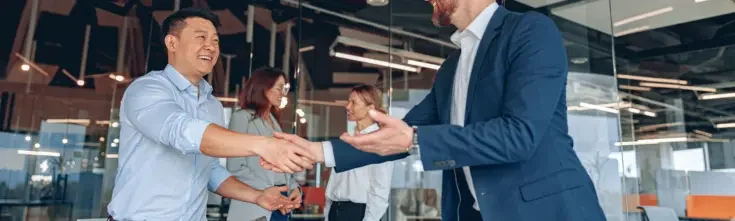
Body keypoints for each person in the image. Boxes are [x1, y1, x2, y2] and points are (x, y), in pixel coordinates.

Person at [263, 0, 607, 220]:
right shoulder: (452, 67)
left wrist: (413, 139)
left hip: (548, 212)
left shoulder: (530, 31)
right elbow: (392, 138)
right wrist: (317, 151)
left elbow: (520, 136)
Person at [107, 8, 313, 221]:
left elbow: (211, 171)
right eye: (201, 38)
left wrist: (257, 196)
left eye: (215, 40)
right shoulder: (146, 89)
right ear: (172, 43)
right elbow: (180, 130)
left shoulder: (212, 104)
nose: (211, 46)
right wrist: (263, 145)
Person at [226, 67, 302, 221]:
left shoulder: (275, 123)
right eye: (279, 88)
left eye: (285, 89)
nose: (283, 93)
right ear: (263, 87)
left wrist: (295, 189)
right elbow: (235, 167)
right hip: (255, 205)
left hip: (281, 204)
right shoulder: (242, 118)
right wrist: (268, 191)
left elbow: (282, 167)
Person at [323, 85, 393, 221]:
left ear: (370, 108)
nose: (347, 107)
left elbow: (380, 190)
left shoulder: (380, 142)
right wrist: (328, 214)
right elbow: (334, 183)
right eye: (348, 102)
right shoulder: (347, 139)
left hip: (357, 214)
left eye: (353, 103)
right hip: (335, 211)